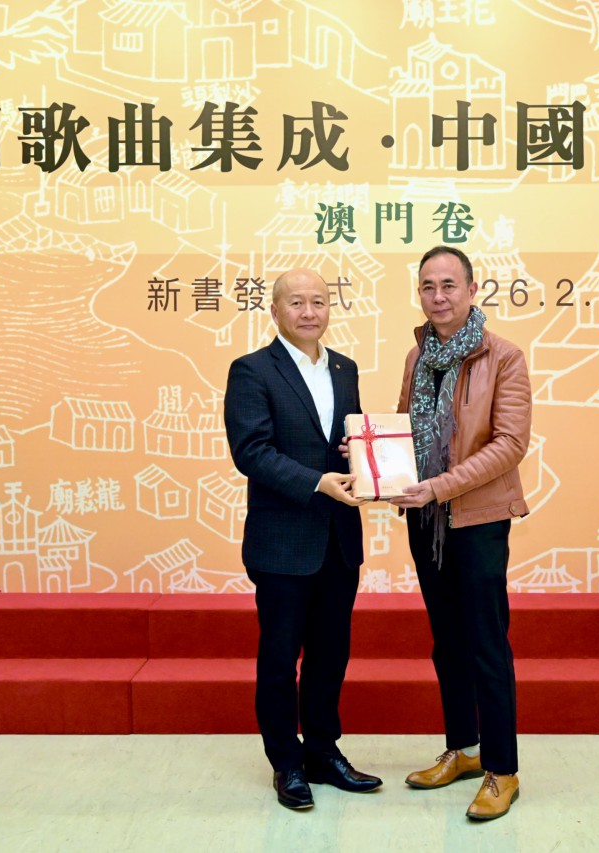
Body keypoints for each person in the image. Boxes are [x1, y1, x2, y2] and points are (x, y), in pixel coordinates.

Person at [224, 268, 382, 810]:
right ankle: (285, 763)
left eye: (318, 301)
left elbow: (343, 439)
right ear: (275, 311)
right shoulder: (251, 370)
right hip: (282, 541)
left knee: (330, 654)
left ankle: (322, 751)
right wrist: (317, 482)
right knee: (279, 658)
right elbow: (251, 451)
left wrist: (357, 456)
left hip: (339, 537)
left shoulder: (345, 368)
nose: (309, 311)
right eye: (296, 302)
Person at [389, 245, 531, 821]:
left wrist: (439, 486)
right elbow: (403, 429)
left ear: (472, 290)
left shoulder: (504, 357)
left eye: (449, 285)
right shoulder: (417, 356)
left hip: (476, 520)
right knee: (447, 641)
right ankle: (464, 750)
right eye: (428, 286)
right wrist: (372, 456)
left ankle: (502, 769)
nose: (438, 296)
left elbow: (510, 444)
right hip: (427, 522)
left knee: (485, 644)